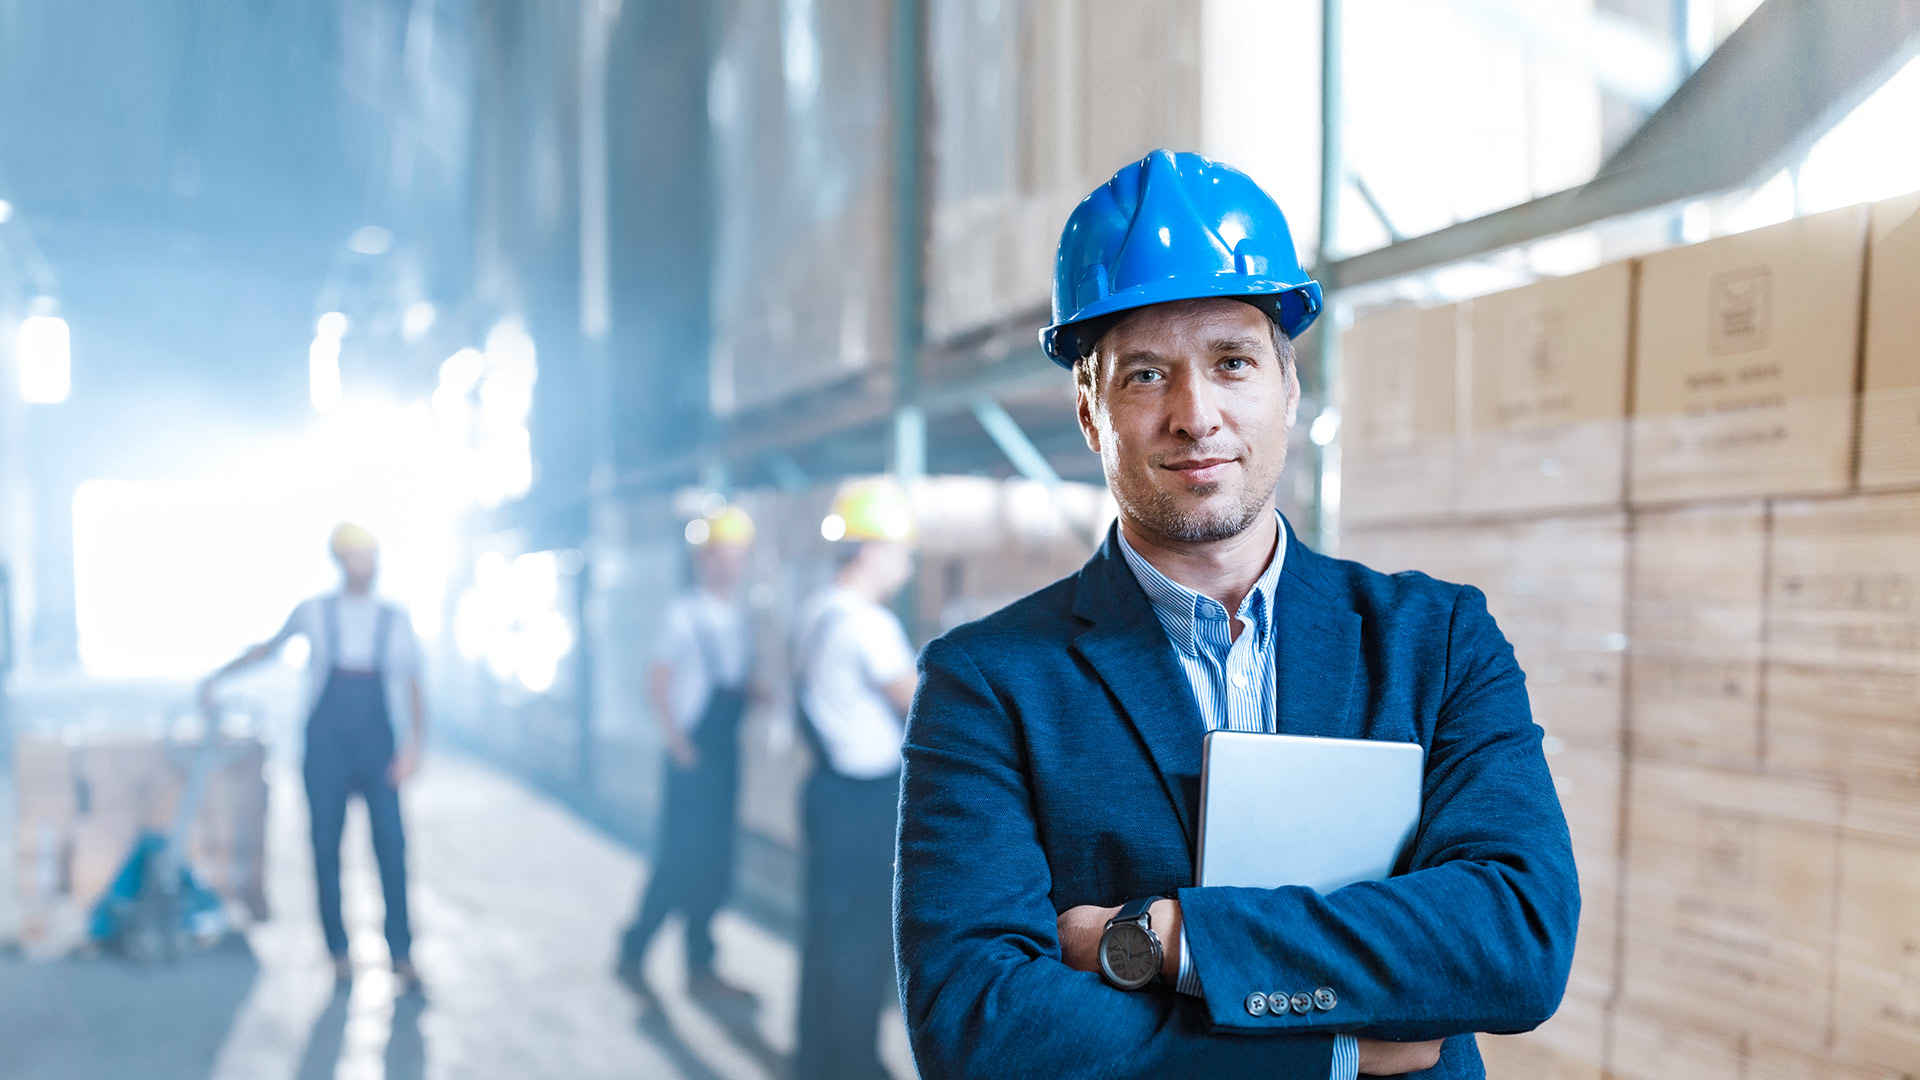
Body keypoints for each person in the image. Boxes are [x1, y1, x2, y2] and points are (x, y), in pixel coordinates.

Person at [894, 150, 1580, 1079]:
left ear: (1288, 389)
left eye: (1231, 362)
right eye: (1144, 376)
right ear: (1091, 412)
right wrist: (1331, 1053)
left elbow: (1514, 938)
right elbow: (975, 1023)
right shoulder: (989, 683)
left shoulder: (1438, 643)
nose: (1196, 414)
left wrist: (1169, 938)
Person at [200, 521, 426, 991]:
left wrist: (414, 746)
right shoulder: (315, 612)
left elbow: (413, 683)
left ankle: (400, 952)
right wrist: (218, 677)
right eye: (357, 554)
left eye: (371, 554)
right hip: (325, 749)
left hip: (378, 748)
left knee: (391, 847)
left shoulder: (394, 618)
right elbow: (268, 649)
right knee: (325, 849)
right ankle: (338, 953)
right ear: (341, 560)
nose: (367, 563)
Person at [791, 477, 920, 1080]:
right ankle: (852, 1066)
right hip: (863, 802)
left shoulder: (816, 609)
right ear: (870, 549)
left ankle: (814, 1060)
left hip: (825, 792)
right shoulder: (869, 624)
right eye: (900, 550)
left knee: (824, 933)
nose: (907, 563)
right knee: (860, 941)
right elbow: (919, 707)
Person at [616, 506, 760, 1006]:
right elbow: (656, 682)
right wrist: (678, 743)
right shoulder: (685, 614)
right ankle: (633, 947)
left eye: (737, 555)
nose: (730, 565)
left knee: (715, 863)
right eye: (721, 555)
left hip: (724, 759)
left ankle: (701, 963)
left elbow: (730, 685)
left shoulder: (736, 618)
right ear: (702, 560)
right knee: (679, 859)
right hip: (693, 759)